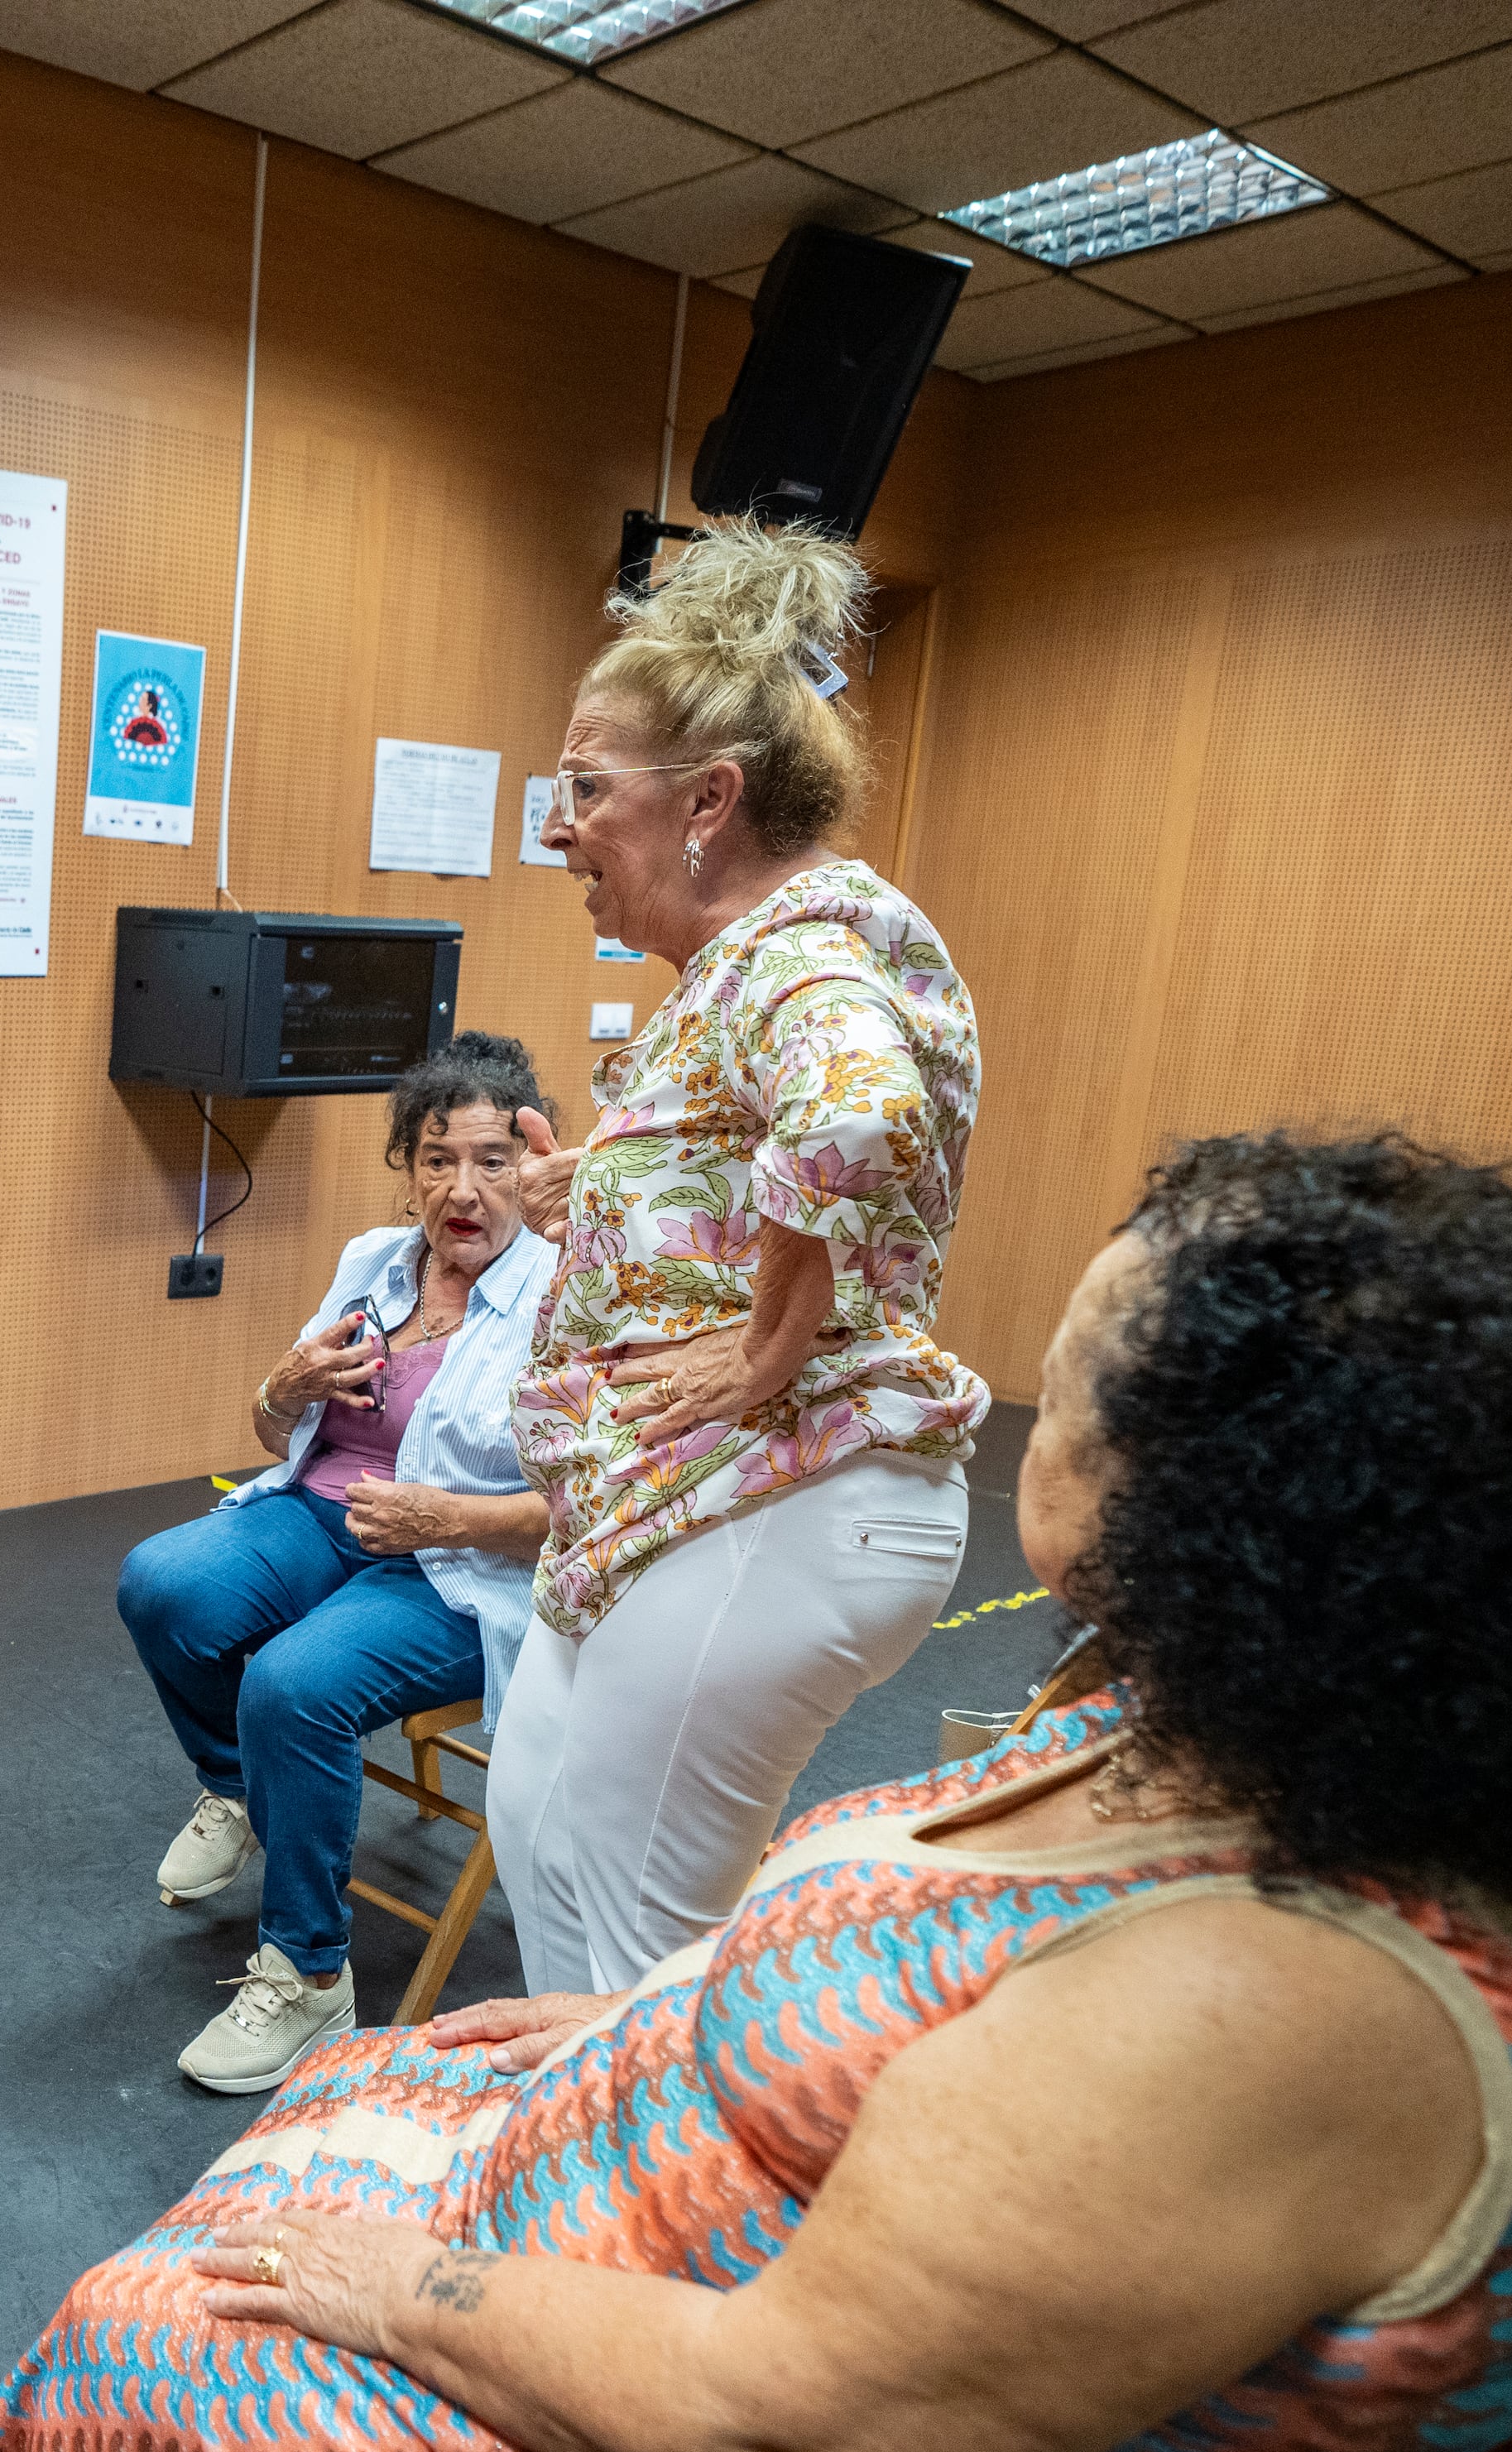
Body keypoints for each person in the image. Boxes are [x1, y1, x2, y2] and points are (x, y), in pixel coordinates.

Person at [0, 1131, 1512, 2452]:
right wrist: (641, 2016)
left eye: (1066, 1389)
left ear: (1246, 1508)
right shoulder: (1324, 1735)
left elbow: (788, 2437)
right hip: (729, 2321)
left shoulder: (1298, 2008)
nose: (1009, 1404)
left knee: (155, 2335)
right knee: (361, 2076)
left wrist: (391, 2288)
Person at [487, 514, 983, 1997]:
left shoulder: (796, 948)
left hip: (786, 1488)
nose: (563, 827)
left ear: (708, 796)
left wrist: (771, 1344)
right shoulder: (753, 960)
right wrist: (619, 1187)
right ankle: (573, 2166)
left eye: (585, 787)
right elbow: (775, 1147)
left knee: (644, 1953)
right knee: (542, 1832)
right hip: (683, 1498)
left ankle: (638, 2216)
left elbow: (860, 1110)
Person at [113, 1034, 565, 2093]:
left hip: (460, 1565)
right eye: (435, 1159)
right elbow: (279, 1436)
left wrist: (444, 1517)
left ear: (532, 1169)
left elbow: (586, 1511)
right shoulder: (371, 1260)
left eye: (492, 1161)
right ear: (405, 1167)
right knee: (160, 1582)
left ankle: (312, 1974)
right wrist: (282, 1388)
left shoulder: (568, 1292)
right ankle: (234, 1783)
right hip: (324, 1516)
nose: (461, 1188)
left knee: (292, 1683)